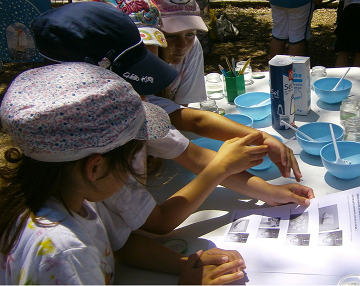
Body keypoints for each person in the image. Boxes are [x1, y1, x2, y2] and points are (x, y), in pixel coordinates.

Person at [31, 0, 312, 259]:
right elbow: (156, 223)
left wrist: (269, 192)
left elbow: (192, 153)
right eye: (135, 85)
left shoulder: (123, 117)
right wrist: (221, 168)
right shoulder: (102, 150)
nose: (145, 98)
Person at [0, 62, 248, 284]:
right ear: (95, 168)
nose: (140, 169)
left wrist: (186, 264)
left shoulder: (70, 195)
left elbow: (120, 243)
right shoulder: (64, 253)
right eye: (134, 160)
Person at [152, 0, 208, 105]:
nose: (182, 45)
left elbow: (183, 105)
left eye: (190, 34)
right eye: (171, 36)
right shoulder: (140, 57)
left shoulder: (193, 46)